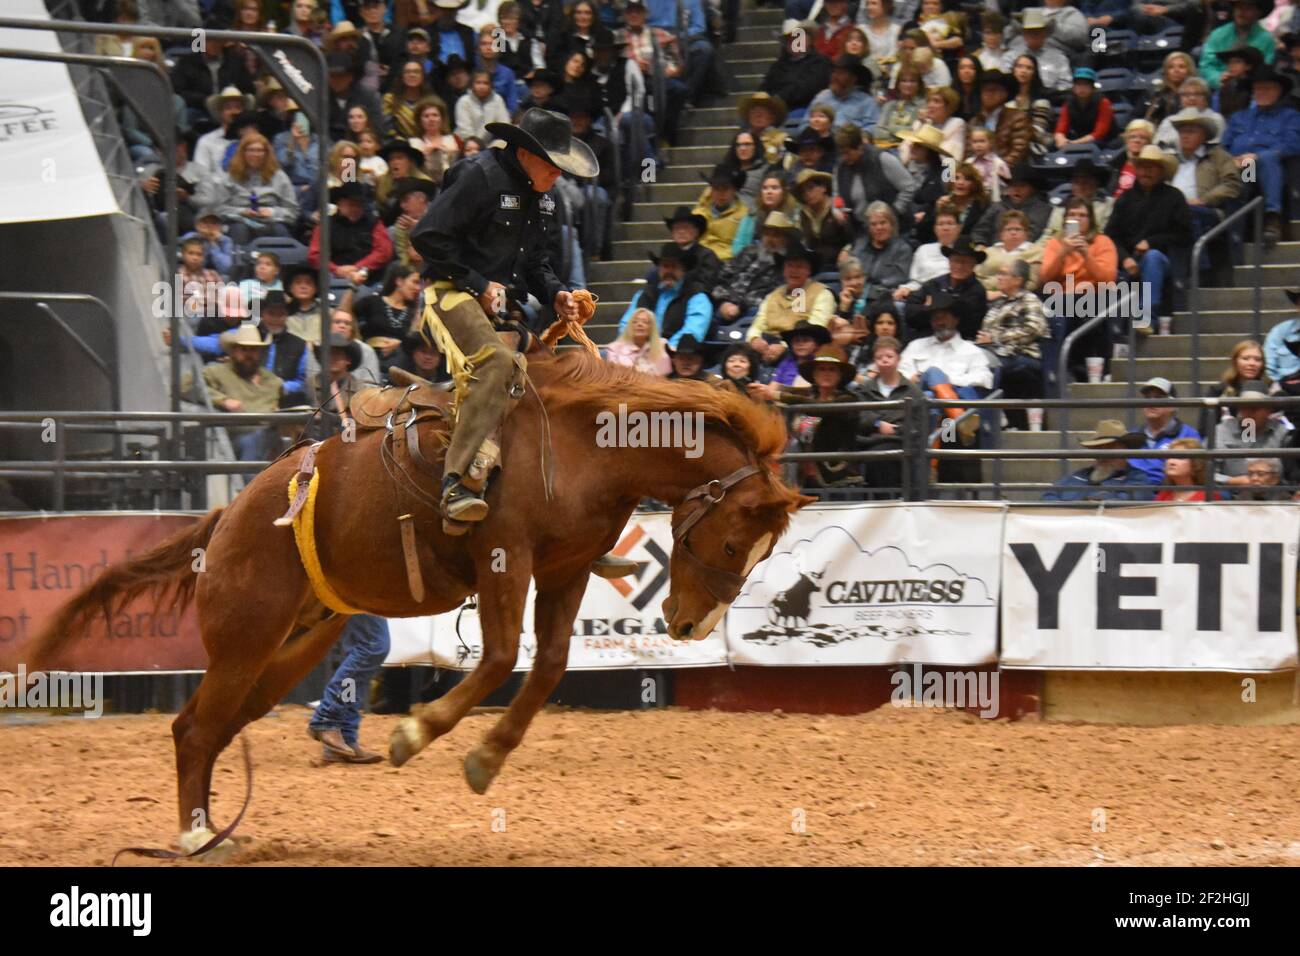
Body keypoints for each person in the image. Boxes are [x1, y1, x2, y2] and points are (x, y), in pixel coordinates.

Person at [408, 108, 592, 524]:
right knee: (497, 363)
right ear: (529, 154)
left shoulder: (544, 198)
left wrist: (557, 293)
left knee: (565, 377)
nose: (559, 176)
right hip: (450, 293)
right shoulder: (478, 175)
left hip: (502, 307)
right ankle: (455, 482)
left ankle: (567, 508)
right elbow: (426, 236)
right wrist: (478, 283)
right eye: (555, 166)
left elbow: (537, 264)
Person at [1106, 145, 1193, 325]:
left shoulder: (1174, 197)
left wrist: (1151, 242)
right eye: (1143, 166)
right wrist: (1125, 259)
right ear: (1136, 169)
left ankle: (1146, 317)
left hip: (1165, 260)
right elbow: (1111, 235)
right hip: (1129, 261)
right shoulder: (1125, 199)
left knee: (1153, 257)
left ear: (1161, 171)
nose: (1147, 171)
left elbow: (1184, 234)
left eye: (1152, 167)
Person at [1039, 196, 1120, 382]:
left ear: (1090, 219)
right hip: (1061, 298)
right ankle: (1060, 371)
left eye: (1082, 215)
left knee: (1086, 305)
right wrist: (1063, 252)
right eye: (1072, 215)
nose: (1076, 219)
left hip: (1096, 296)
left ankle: (1092, 369)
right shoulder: (1055, 243)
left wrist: (1085, 254)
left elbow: (1107, 278)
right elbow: (1044, 277)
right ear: (1065, 219)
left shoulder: (1102, 241)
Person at [1221, 67, 1300, 245]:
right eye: (1258, 89)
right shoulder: (1238, 117)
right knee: (1237, 173)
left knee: (1267, 158)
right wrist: (1231, 160)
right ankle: (1235, 234)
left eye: (1268, 88)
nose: (1262, 92)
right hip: (1239, 168)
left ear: (1279, 92)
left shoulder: (1290, 116)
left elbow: (1293, 144)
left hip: (1273, 170)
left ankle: (1273, 218)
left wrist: (1256, 157)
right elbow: (1223, 147)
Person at [775, 346, 865, 489]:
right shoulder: (807, 400)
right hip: (806, 475)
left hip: (841, 474)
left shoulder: (848, 399)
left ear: (840, 375)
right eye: (821, 369)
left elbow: (820, 409)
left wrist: (778, 395)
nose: (826, 373)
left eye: (831, 369)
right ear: (814, 375)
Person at [977, 259, 1048, 427]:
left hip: (1021, 354)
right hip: (994, 352)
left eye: (1003, 273)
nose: (998, 277)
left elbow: (1033, 329)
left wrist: (995, 338)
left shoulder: (1029, 300)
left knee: (984, 367)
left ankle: (994, 411)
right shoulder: (998, 303)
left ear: (1017, 280)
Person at [203, 323, 285, 462]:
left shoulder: (273, 381)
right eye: (244, 349)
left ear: (260, 352)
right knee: (250, 442)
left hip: (271, 436)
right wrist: (222, 400)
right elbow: (187, 386)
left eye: (253, 350)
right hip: (236, 436)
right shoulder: (216, 372)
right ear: (234, 351)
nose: (249, 354)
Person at [857, 335, 923, 493]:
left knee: (885, 456)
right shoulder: (865, 388)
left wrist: (895, 429)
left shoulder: (912, 391)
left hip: (899, 442)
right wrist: (878, 424)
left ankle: (889, 502)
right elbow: (858, 415)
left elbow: (918, 423)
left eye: (889, 356)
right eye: (879, 357)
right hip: (868, 442)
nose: (884, 360)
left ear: (898, 359)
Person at [209, 133, 299, 247]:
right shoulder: (230, 177)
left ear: (267, 153)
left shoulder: (279, 177)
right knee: (240, 230)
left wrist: (272, 212)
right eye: (251, 150)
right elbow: (219, 209)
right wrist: (242, 212)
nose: (256, 154)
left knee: (280, 230)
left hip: (272, 221)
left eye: (260, 150)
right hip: (240, 221)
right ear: (243, 152)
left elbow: (293, 211)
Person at [746, 242, 836, 354]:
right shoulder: (772, 295)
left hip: (800, 350)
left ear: (809, 271)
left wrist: (784, 346)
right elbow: (758, 324)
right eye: (790, 265)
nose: (794, 270)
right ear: (783, 270)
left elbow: (816, 330)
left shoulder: (822, 294)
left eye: (799, 266)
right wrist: (755, 339)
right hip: (765, 348)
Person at [618, 244, 713, 349]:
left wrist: (663, 350)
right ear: (659, 269)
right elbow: (626, 324)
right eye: (665, 266)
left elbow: (693, 331)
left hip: (677, 356)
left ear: (683, 270)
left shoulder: (697, 296)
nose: (669, 271)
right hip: (640, 352)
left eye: (674, 266)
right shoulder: (644, 294)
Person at [712, 211, 794, 329]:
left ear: (785, 239)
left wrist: (740, 308)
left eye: (776, 235)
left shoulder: (787, 263)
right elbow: (723, 277)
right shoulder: (748, 252)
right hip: (726, 305)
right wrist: (723, 302)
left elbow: (777, 295)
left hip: (756, 311)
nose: (770, 239)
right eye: (767, 234)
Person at [1041, 419, 1154, 500]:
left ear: (1125, 450)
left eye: (1110, 447)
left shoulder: (1137, 479)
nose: (1103, 454)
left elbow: (1127, 504)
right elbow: (1049, 496)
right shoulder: (1079, 475)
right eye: (1098, 448)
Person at [903, 235, 989, 341]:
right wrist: (934, 310)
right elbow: (910, 312)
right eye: (956, 260)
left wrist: (930, 307)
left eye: (965, 262)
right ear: (949, 261)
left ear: (973, 265)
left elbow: (966, 322)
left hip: (960, 342)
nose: (959, 266)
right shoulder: (933, 283)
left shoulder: (977, 291)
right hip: (925, 338)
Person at [832, 124, 917, 229]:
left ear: (860, 147)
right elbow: (837, 195)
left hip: (896, 228)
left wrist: (894, 212)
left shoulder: (883, 159)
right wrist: (837, 209)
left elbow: (909, 187)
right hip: (860, 229)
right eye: (841, 153)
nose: (844, 157)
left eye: (848, 153)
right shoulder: (840, 167)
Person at [1214, 380, 1292, 486]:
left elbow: (1292, 473)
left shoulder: (1281, 432)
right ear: (1239, 410)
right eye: (1245, 407)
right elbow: (1207, 473)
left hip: (1274, 495)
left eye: (1256, 408)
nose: (1249, 412)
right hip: (1229, 495)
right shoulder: (1222, 431)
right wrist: (1232, 481)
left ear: (1269, 410)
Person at [1129, 376, 1202, 484]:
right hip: (1134, 492)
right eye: (1147, 398)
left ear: (1173, 405)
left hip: (1168, 492)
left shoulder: (1189, 434)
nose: (1151, 403)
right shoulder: (1132, 435)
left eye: (1158, 398)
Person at [356, 263, 422, 375]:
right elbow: (346, 314)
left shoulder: (413, 313)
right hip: (370, 357)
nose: (418, 288)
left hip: (399, 364)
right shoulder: (373, 302)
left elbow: (414, 343)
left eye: (419, 284)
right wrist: (352, 286)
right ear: (399, 281)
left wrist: (400, 344)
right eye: (415, 282)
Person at [1200, 0, 1277, 90]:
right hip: (1219, 88)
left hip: (1252, 89)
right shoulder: (1218, 34)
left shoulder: (1266, 39)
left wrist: (1244, 79)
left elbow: (1265, 69)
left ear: (1258, 13)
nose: (1241, 12)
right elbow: (1206, 66)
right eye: (1238, 7)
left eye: (1248, 8)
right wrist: (1218, 78)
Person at [971, 162, 1052, 247]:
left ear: (1032, 189)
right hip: (992, 253)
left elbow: (1033, 234)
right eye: (1013, 185)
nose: (1016, 190)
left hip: (1026, 254)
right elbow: (980, 230)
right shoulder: (997, 207)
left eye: (1022, 186)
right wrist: (980, 244)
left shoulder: (1042, 210)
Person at [845, 201, 913, 302]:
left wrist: (868, 289)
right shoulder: (859, 247)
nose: (879, 228)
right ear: (868, 227)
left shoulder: (903, 250)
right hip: (857, 298)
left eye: (883, 223)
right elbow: (850, 274)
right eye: (873, 224)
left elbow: (899, 279)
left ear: (891, 224)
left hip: (886, 300)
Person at [763, 19, 834, 111]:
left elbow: (807, 89)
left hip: (808, 110)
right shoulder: (777, 66)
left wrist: (778, 98)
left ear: (809, 39)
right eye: (789, 39)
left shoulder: (821, 63)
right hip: (775, 110)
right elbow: (765, 87)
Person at [793, 169, 854, 271]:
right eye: (803, 192)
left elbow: (854, 238)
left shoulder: (838, 207)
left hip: (839, 266)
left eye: (810, 188)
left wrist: (846, 251)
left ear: (823, 187)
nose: (807, 194)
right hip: (814, 268)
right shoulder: (803, 215)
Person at [975, 210, 1043, 294]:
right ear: (1001, 234)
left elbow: (1032, 284)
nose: (1013, 232)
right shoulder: (989, 251)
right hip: (983, 295)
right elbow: (976, 278)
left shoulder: (1035, 252)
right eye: (1009, 229)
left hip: (1016, 297)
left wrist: (1000, 291)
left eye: (1018, 229)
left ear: (1026, 233)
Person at [809, 56, 882, 133]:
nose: (835, 76)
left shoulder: (866, 101)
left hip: (851, 142)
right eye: (834, 72)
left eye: (841, 73)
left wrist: (865, 135)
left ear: (853, 78)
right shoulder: (822, 98)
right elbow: (805, 124)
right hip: (822, 140)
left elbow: (872, 125)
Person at [1004, 10, 1071, 92]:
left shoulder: (1059, 58)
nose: (1033, 35)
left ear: (1045, 34)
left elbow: (1066, 85)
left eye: (1037, 32)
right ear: (1024, 34)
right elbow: (1005, 83)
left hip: (1051, 99)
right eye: (1029, 32)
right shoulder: (1010, 57)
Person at [693, 165, 749, 261]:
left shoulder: (745, 216)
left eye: (725, 189)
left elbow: (742, 249)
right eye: (716, 189)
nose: (720, 194)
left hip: (727, 263)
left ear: (734, 190)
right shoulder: (697, 213)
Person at [1044, 158, 1114, 233]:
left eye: (1085, 182)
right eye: (1076, 182)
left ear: (1096, 183)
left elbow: (1104, 232)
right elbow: (1049, 234)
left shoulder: (1108, 204)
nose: (1080, 186)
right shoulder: (1061, 207)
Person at [1054, 68, 1115, 149]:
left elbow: (1100, 133)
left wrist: (1075, 143)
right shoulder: (1068, 103)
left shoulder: (1103, 102)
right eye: (1078, 84)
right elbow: (1061, 128)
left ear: (1093, 87)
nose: (1082, 88)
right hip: (1078, 137)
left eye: (1086, 84)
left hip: (1104, 139)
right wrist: (1060, 139)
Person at [606, 307, 671, 375]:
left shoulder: (662, 345)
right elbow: (614, 376)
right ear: (629, 326)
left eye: (645, 322)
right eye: (635, 322)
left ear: (652, 328)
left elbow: (664, 374)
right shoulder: (614, 349)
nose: (639, 324)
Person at [1155, 438, 1226, 500]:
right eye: (1170, 457)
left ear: (1195, 464)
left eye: (1180, 457)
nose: (1171, 462)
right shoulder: (1164, 493)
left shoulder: (1208, 496)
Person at [1109, 118, 1157, 197]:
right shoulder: (1115, 165)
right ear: (1126, 141)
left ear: (1150, 142)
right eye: (1132, 137)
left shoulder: (1153, 169)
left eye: (1142, 138)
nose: (1137, 140)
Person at [1263, 289, 1300, 382]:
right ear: (1297, 306)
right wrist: (1282, 383)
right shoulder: (1280, 332)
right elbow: (1268, 368)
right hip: (1285, 387)